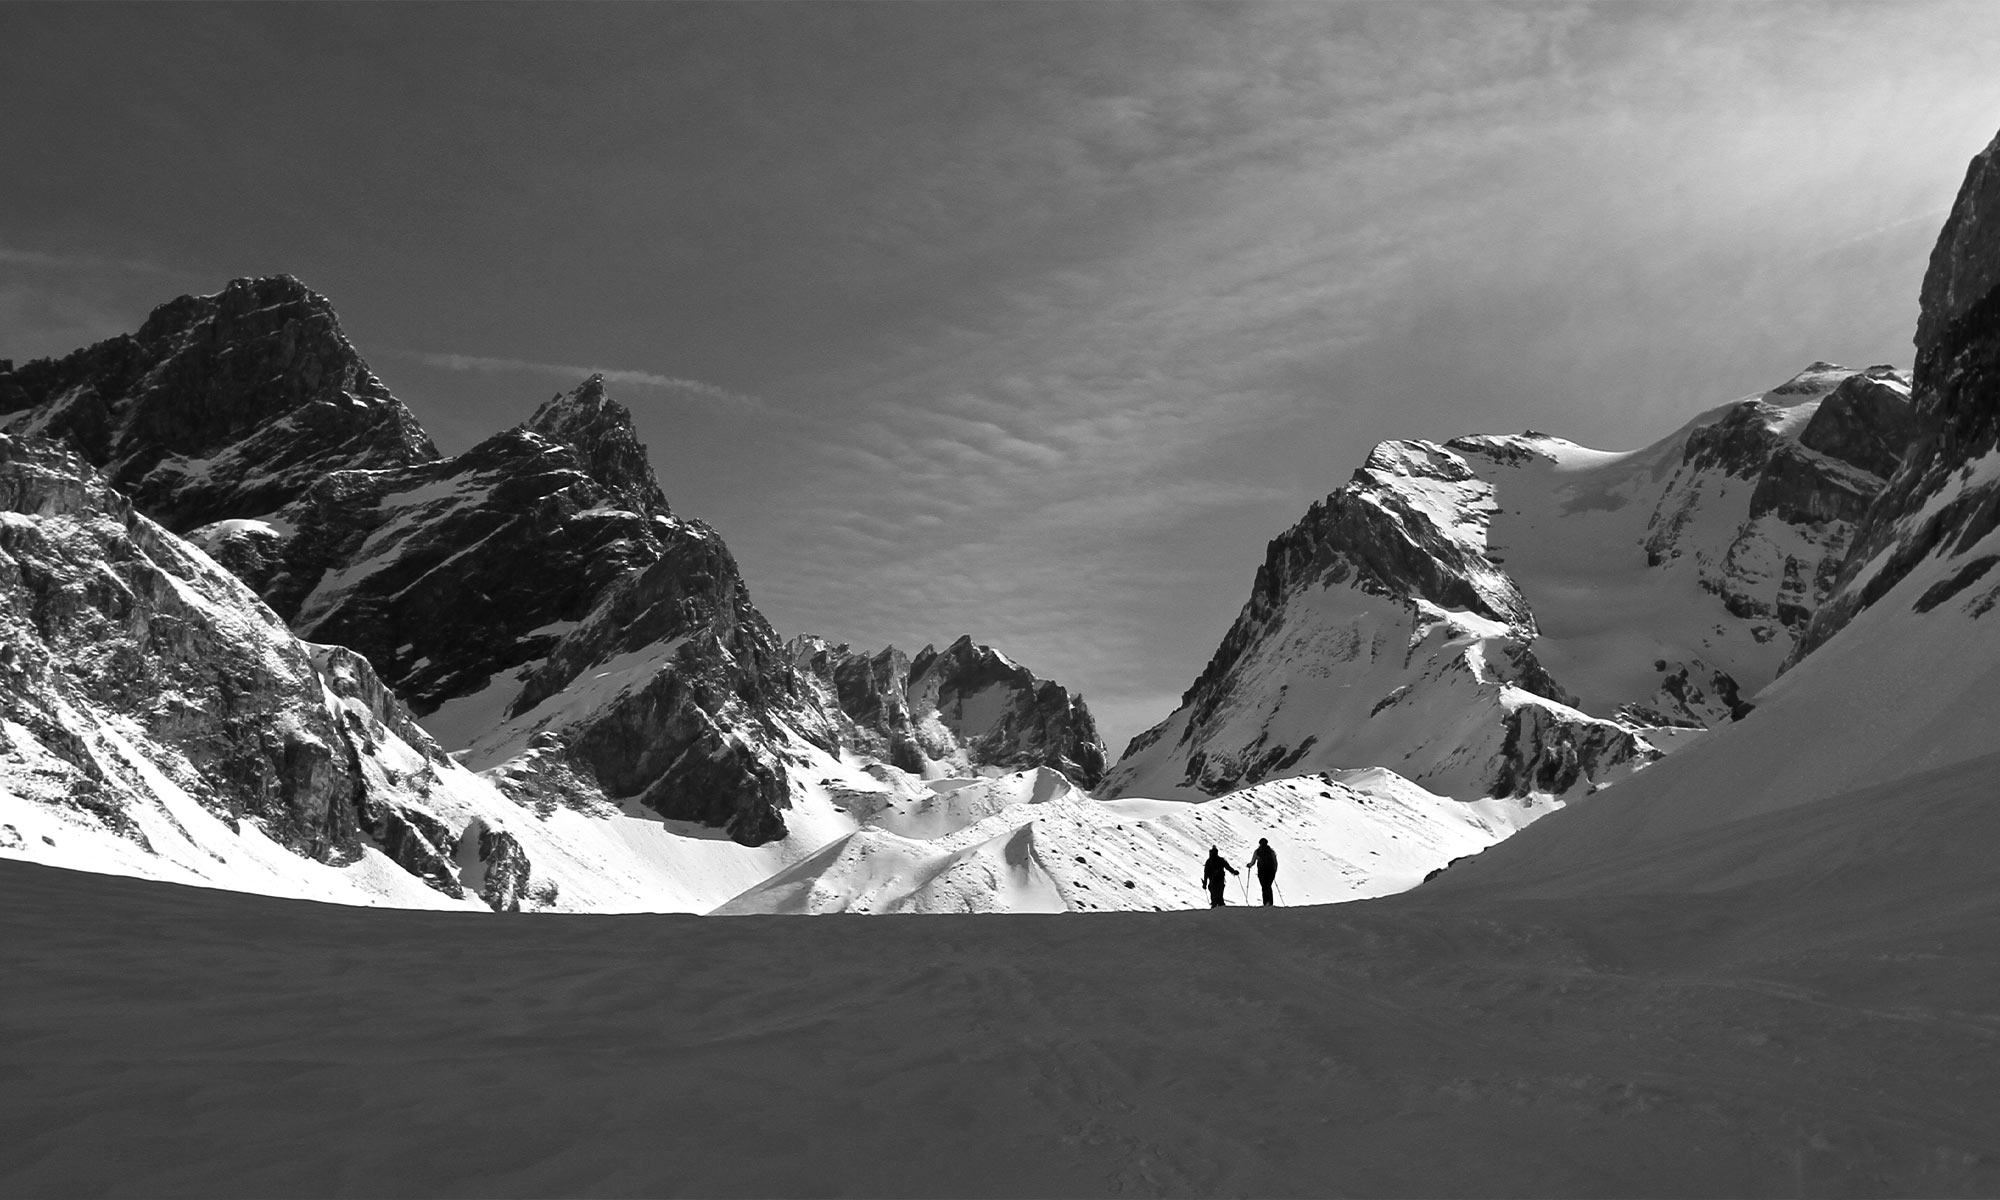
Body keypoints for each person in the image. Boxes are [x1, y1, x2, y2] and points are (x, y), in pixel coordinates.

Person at [1246, 837, 1278, 906]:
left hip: (1262, 872)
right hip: (1270, 872)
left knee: (1264, 886)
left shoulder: (1257, 851)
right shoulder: (1271, 851)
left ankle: (1265, 902)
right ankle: (1270, 902)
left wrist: (1249, 865)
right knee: (1268, 886)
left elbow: (1253, 862)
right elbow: (1275, 862)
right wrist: (1274, 871)